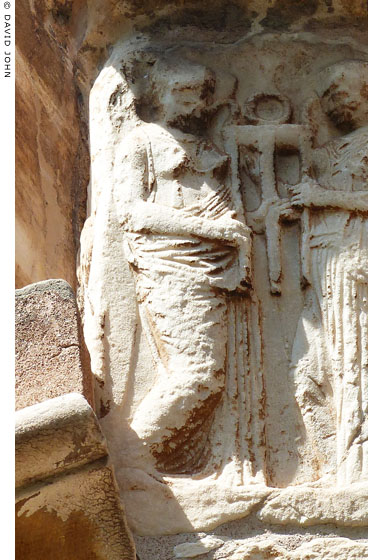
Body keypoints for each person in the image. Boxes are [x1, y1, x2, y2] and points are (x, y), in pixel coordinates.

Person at [112, 56, 252, 474]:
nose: (193, 102)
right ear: (160, 97)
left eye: (199, 94)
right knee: (197, 375)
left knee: (211, 380)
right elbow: (133, 212)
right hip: (169, 265)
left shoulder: (212, 149)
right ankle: (130, 466)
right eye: (182, 92)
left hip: (218, 271)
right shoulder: (142, 142)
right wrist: (208, 229)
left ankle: (145, 468)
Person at [289, 61, 368, 485]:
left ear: (367, 94)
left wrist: (324, 196)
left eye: (343, 95)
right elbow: (301, 159)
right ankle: (337, 462)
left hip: (362, 260)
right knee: (312, 371)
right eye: (330, 98)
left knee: (359, 360)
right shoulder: (332, 150)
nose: (336, 105)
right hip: (327, 262)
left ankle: (367, 467)